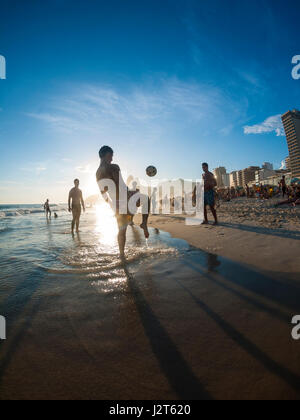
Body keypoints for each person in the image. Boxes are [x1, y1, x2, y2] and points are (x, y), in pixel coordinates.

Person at [96, 146, 150, 259]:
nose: (112, 158)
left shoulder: (98, 173)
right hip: (126, 198)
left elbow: (103, 192)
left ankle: (121, 254)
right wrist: (131, 193)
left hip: (117, 203)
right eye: (110, 156)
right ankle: (144, 223)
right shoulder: (114, 167)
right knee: (146, 199)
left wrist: (111, 203)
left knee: (121, 231)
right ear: (105, 155)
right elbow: (120, 185)